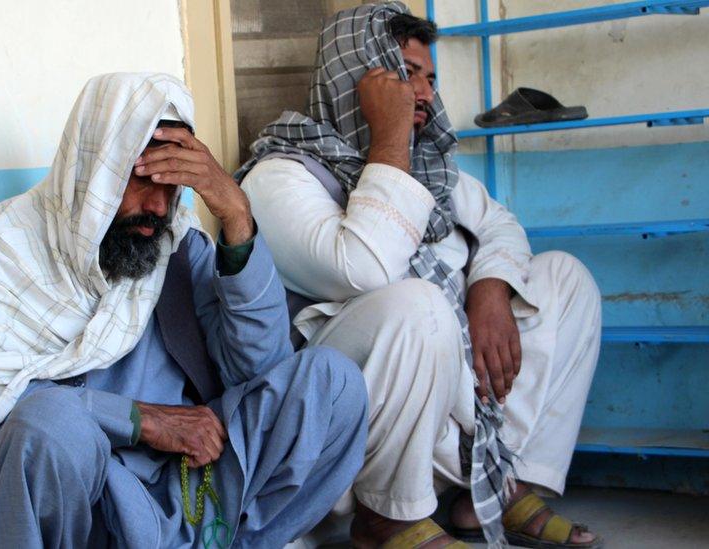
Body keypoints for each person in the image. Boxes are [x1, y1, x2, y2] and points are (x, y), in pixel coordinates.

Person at [0, 72, 368, 549]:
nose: (157, 205)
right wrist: (137, 419)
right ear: (96, 171)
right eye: (142, 179)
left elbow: (259, 368)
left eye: (173, 185)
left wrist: (236, 217)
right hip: (86, 498)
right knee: (49, 428)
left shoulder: (178, 246)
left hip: (182, 488)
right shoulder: (4, 246)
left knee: (334, 384)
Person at [237, 3, 602, 548]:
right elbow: (366, 269)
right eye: (405, 75)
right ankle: (386, 517)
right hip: (361, 430)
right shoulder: (280, 178)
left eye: (430, 78)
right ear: (355, 77)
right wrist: (388, 141)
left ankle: (501, 487)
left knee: (564, 278)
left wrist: (489, 291)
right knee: (417, 304)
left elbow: (500, 226)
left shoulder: (431, 167)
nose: (425, 95)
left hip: (456, 393)